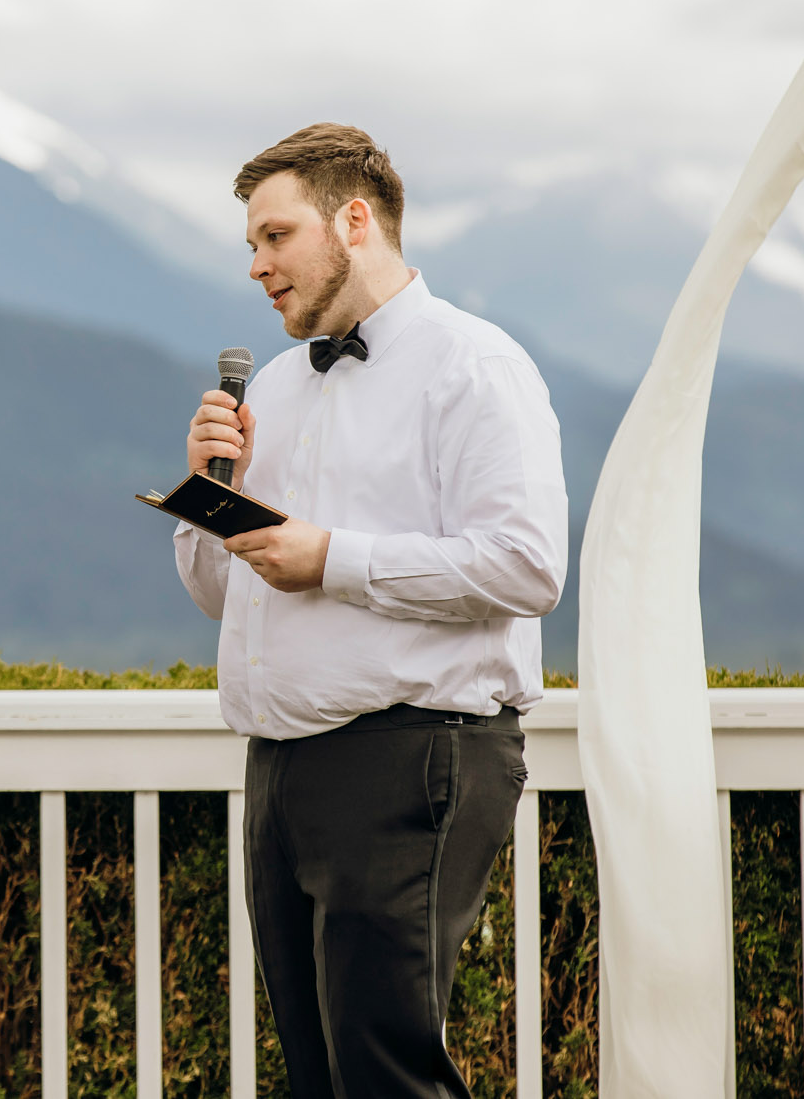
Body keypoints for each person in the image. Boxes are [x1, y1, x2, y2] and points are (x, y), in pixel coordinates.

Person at [174, 124, 568, 1099]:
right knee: (317, 1075)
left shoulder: (472, 366)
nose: (257, 267)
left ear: (354, 219)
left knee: (384, 1071)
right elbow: (224, 594)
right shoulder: (272, 383)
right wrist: (200, 496)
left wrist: (332, 558)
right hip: (279, 765)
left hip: (413, 753)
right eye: (251, 246)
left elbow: (526, 567)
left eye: (274, 237)